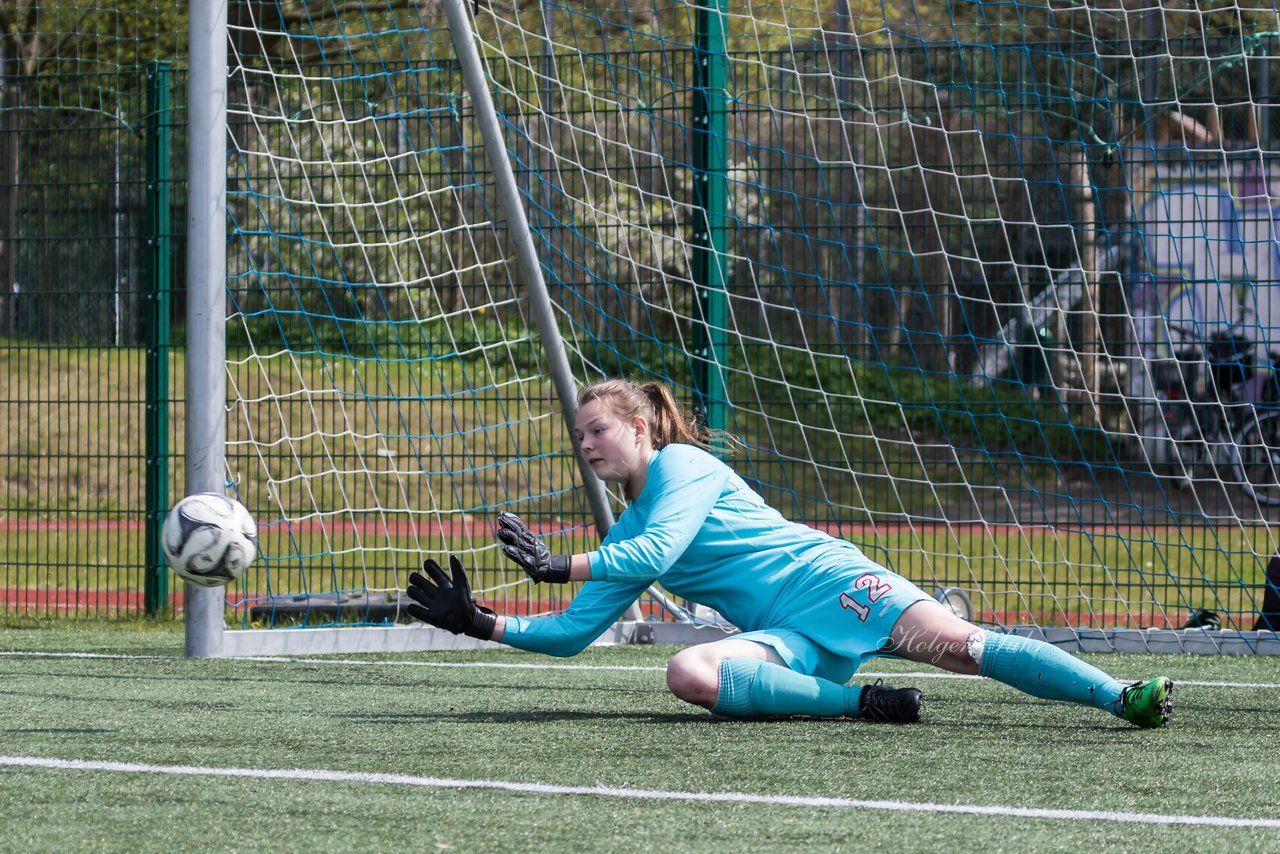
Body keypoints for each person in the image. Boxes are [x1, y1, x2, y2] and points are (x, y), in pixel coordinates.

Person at [405, 378, 1174, 727]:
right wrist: (485, 623)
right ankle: (864, 703)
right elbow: (575, 633)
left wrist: (558, 564)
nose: (586, 444)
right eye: (579, 436)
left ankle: (1120, 696)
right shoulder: (622, 537)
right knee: (688, 673)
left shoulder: (681, 466)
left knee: (963, 649)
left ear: (641, 429)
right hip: (790, 637)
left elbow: (664, 545)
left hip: (828, 583)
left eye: (596, 429)